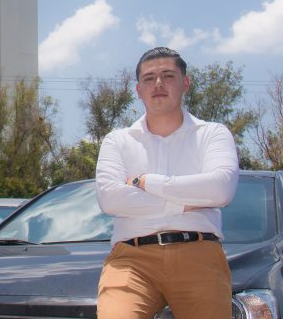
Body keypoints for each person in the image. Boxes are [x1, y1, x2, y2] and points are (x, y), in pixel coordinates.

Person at [95, 47, 239, 319]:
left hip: (199, 254)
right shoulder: (118, 141)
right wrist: (186, 203)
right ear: (138, 90)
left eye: (168, 75)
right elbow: (110, 199)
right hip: (131, 260)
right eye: (149, 78)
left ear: (185, 83)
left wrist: (146, 182)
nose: (158, 83)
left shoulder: (213, 134)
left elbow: (220, 189)